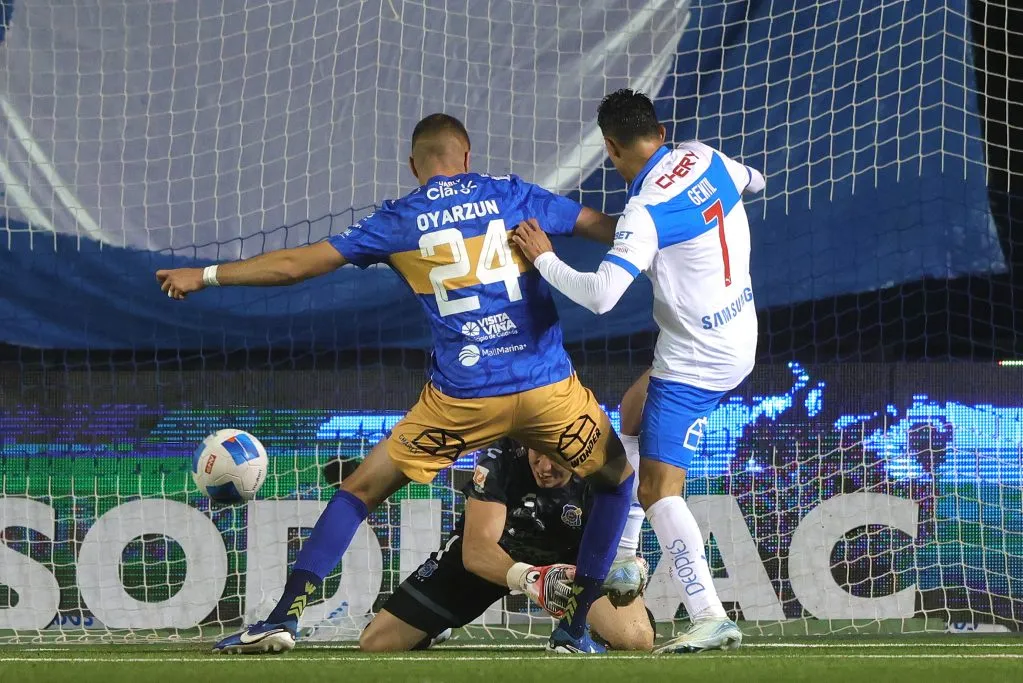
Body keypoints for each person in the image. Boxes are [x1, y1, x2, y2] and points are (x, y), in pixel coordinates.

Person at [157, 113, 633, 655]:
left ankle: (283, 617)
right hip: (547, 390)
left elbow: (294, 266)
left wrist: (207, 275)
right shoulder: (514, 194)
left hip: (463, 400)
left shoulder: (401, 218)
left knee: (360, 491)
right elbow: (610, 229)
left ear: (414, 166)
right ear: (467, 156)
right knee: (615, 481)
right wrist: (683, 236)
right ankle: (572, 630)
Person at [512, 89, 766, 654]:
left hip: (695, 359)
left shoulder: (644, 210)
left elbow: (603, 296)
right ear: (661, 127)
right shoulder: (705, 157)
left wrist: (544, 258)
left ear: (609, 147)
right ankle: (625, 559)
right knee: (630, 409)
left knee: (656, 488)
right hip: (739, 332)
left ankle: (707, 613)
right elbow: (756, 180)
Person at [355, 439, 654, 652]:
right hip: (497, 557)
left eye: (557, 458)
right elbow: (476, 549)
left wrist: (623, 565)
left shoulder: (600, 464)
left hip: (571, 565)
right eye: (538, 454)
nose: (545, 467)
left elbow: (610, 538)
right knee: (376, 643)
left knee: (636, 639)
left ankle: (582, 629)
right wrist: (530, 578)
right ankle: (437, 627)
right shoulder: (500, 458)